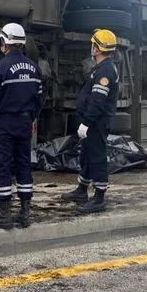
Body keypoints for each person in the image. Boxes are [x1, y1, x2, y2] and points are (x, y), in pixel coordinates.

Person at [0, 23, 43, 229]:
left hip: (4, 123)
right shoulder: (34, 68)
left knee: (3, 164)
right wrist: (31, 119)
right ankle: (25, 212)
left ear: (4, 43)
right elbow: (39, 99)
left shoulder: (0, 68)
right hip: (24, 122)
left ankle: (4, 214)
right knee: (23, 164)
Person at [61, 29, 119, 213]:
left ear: (97, 48)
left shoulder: (105, 71)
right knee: (86, 154)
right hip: (93, 121)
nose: (91, 48)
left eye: (93, 45)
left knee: (97, 157)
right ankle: (82, 190)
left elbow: (97, 101)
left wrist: (86, 122)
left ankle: (99, 197)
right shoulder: (103, 67)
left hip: (96, 122)